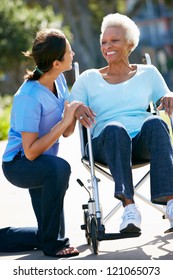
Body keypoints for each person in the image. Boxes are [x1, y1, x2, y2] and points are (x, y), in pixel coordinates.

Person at [69, 13, 173, 233]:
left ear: (130, 44)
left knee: (156, 123)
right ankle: (130, 209)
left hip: (142, 143)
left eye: (114, 40)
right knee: (116, 129)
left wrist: (170, 95)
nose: (108, 46)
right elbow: (68, 121)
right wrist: (75, 109)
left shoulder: (149, 73)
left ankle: (171, 203)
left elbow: (165, 99)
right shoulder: (87, 79)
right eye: (104, 42)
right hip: (104, 144)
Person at [1, 29, 81, 257]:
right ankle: (53, 246)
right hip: (20, 165)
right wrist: (66, 119)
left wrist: (72, 114)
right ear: (56, 62)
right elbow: (31, 152)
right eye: (69, 52)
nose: (73, 54)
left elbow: (65, 133)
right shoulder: (28, 96)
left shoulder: (60, 81)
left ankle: (45, 239)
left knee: (48, 231)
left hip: (43, 163)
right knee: (60, 167)